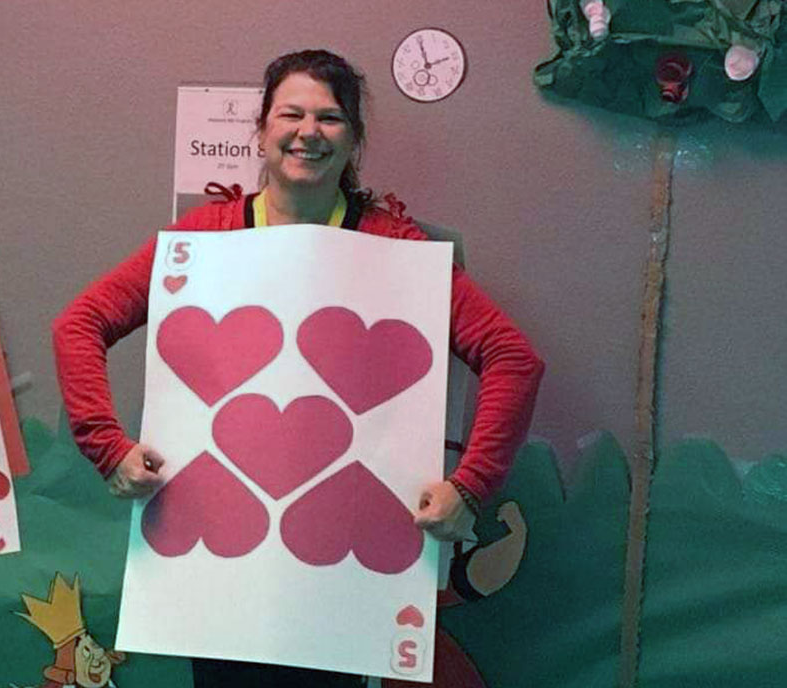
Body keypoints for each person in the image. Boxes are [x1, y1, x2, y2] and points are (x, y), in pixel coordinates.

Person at [52, 49, 544, 687]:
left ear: (355, 140)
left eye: (330, 118)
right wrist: (107, 448)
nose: (308, 131)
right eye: (291, 113)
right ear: (261, 130)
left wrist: (471, 486)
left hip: (345, 570)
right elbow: (78, 324)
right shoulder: (206, 240)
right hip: (216, 561)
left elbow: (513, 358)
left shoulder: (396, 247)